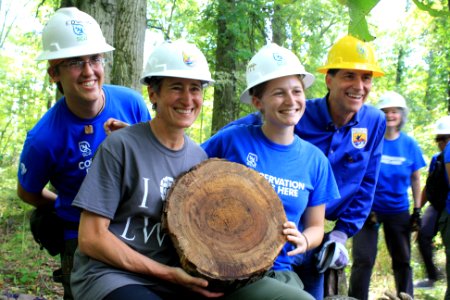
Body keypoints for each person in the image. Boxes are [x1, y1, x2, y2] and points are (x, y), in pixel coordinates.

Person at [70, 39, 317, 300]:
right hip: (115, 276)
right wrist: (167, 273)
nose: (187, 99)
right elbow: (91, 238)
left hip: (181, 279)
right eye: (176, 87)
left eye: (195, 89)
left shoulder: (200, 160)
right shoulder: (120, 147)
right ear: (153, 94)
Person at [221, 34, 386, 298]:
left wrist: (341, 235)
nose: (358, 86)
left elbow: (368, 183)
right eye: (349, 76)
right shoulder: (296, 110)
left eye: (366, 77)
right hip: (266, 239)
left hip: (316, 237)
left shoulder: (374, 121)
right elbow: (250, 129)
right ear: (328, 80)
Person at [16, 7, 151, 300]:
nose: (89, 71)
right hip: (79, 237)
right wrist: (68, 204)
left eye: (95, 59)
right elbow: (28, 192)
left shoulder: (131, 104)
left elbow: (156, 164)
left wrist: (136, 142)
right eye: (75, 62)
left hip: (136, 227)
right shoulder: (44, 138)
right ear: (54, 73)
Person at [202, 43, 340, 297]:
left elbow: (316, 227)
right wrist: (145, 138)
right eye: (279, 93)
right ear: (258, 102)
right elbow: (181, 161)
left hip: (284, 271)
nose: (290, 101)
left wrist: (304, 240)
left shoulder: (315, 160)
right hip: (232, 271)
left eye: (296, 91)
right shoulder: (233, 140)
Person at [348, 91, 426, 299]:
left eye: (394, 111)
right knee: (363, 259)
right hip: (367, 209)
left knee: (402, 259)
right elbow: (357, 171)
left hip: (397, 209)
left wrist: (417, 210)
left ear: (401, 115)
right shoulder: (369, 139)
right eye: (385, 112)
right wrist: (360, 201)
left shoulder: (409, 144)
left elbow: (416, 179)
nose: (390, 115)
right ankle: (356, 297)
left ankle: (405, 296)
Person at [414, 116, 450, 289]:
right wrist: (418, 209)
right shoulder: (436, 159)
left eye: (444, 139)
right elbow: (429, 186)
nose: (440, 143)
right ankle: (433, 276)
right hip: (437, 204)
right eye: (438, 139)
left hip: (447, 206)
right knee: (422, 236)